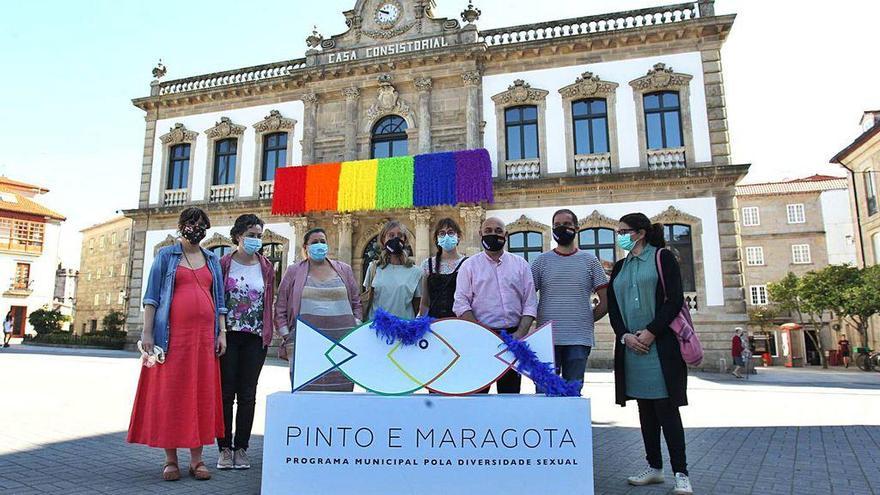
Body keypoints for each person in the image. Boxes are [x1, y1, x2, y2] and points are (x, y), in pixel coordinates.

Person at [127, 207, 227, 482]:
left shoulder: (211, 259)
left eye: (201, 223)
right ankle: (170, 460)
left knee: (199, 396)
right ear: (181, 226)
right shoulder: (165, 256)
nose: (196, 227)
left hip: (203, 341)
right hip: (171, 340)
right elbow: (151, 297)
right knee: (171, 395)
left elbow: (219, 302)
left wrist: (222, 333)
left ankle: (197, 460)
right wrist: (147, 333)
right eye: (191, 223)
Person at [606, 212, 692, 495]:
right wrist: (625, 336)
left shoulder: (662, 257)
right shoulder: (619, 267)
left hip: (660, 345)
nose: (619, 236)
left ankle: (681, 472)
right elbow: (614, 308)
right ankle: (654, 467)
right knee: (645, 410)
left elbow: (674, 299)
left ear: (640, 233)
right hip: (632, 347)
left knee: (667, 409)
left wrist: (652, 331)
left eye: (623, 231)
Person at [216, 214, 275, 470]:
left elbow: (268, 299)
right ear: (238, 235)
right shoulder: (223, 263)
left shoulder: (266, 266)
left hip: (255, 337)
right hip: (228, 335)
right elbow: (216, 299)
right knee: (226, 393)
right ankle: (224, 449)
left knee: (248, 394)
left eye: (259, 236)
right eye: (251, 235)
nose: (256, 240)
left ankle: (241, 448)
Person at [453, 217, 537, 394]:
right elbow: (460, 303)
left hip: (513, 338)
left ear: (505, 235)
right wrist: (482, 333)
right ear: (480, 234)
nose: (493, 234)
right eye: (488, 231)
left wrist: (520, 334)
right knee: (478, 395)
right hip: (480, 338)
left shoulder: (521, 265)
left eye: (498, 231)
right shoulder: (469, 266)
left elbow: (529, 303)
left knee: (510, 395)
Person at [275, 228, 362, 391]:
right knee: (307, 391)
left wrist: (355, 327)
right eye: (315, 242)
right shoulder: (293, 271)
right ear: (305, 247)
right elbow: (280, 307)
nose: (320, 245)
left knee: (340, 394)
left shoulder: (344, 269)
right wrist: (287, 335)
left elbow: (356, 302)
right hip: (304, 344)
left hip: (341, 343)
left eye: (323, 241)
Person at [532, 209, 609, 392]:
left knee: (572, 395)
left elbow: (605, 301)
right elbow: (526, 298)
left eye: (566, 224)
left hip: (578, 340)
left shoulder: (590, 262)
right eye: (557, 225)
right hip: (547, 338)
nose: (561, 229)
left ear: (576, 228)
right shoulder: (540, 262)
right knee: (544, 394)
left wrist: (586, 319)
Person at [362, 220, 422, 320]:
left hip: (404, 327)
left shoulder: (416, 272)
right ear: (383, 240)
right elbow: (369, 297)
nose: (396, 239)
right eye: (391, 235)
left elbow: (416, 304)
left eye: (400, 235)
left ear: (405, 240)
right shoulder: (373, 268)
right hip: (377, 328)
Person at [418, 218, 468, 318]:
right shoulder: (427, 265)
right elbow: (425, 302)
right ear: (437, 238)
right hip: (435, 324)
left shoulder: (467, 264)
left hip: (460, 323)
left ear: (458, 237)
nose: (446, 236)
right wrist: (420, 322)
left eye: (450, 232)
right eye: (442, 233)